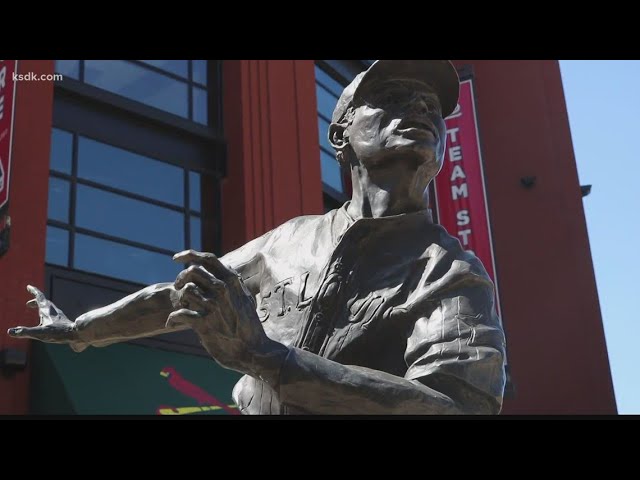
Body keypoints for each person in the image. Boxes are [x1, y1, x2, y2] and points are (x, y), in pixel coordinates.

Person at [8, 60, 506, 415]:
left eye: (430, 108)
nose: (420, 110)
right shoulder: (290, 239)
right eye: (394, 100)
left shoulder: (450, 271)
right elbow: (182, 296)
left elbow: (454, 406)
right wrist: (80, 331)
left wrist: (264, 356)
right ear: (340, 134)